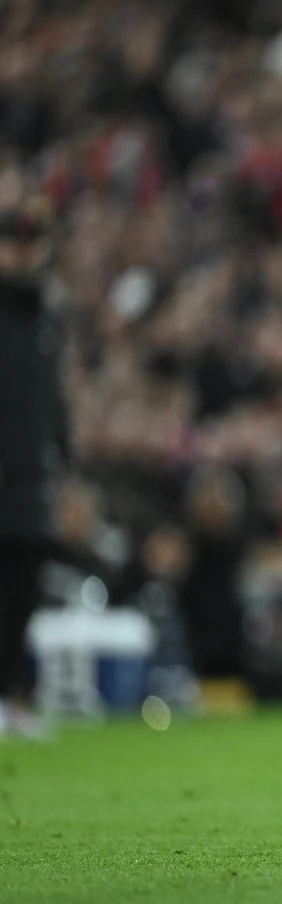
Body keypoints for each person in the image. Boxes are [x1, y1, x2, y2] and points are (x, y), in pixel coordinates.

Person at [0, 163, 63, 738]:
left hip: (31, 482)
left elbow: (54, 404)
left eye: (29, 243)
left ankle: (13, 698)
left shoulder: (46, 314)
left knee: (22, 593)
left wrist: (61, 464)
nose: (22, 255)